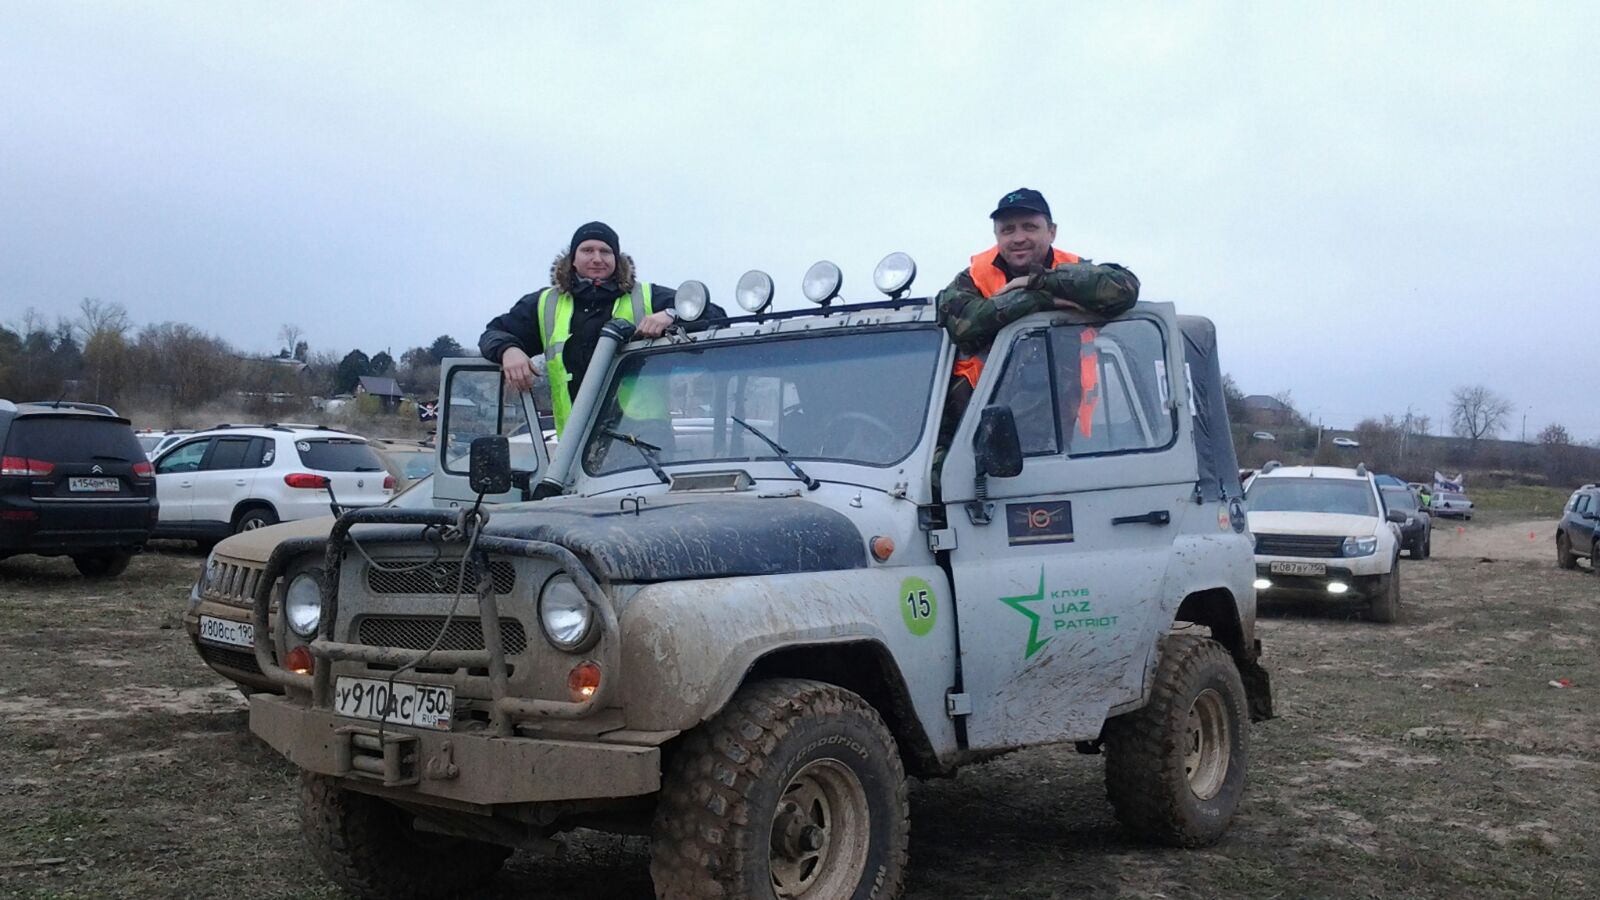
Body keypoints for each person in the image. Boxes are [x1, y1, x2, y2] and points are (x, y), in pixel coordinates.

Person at [933, 188, 1142, 471]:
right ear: (997, 235)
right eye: (1008, 230)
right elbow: (962, 323)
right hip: (979, 441)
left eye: (1029, 227)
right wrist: (1041, 299)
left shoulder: (1073, 268)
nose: (1018, 238)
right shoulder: (974, 278)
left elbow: (1124, 289)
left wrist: (1039, 280)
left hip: (1064, 442)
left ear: (1052, 232)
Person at [478, 221, 724, 435]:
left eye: (605, 251)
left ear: (616, 259)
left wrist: (672, 315)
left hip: (647, 444)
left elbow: (715, 316)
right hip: (575, 447)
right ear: (572, 259)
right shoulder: (544, 304)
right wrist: (508, 350)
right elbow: (493, 334)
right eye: (587, 250)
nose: (597, 258)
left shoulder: (647, 297)